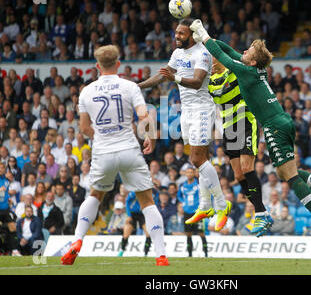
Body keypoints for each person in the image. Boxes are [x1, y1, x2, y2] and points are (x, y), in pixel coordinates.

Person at [190, 19, 311, 242]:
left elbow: (224, 57)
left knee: (291, 178)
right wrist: (210, 40)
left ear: (253, 61)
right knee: (285, 172)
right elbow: (227, 50)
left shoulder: (245, 72)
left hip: (274, 125)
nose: (243, 51)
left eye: (248, 51)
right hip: (280, 121)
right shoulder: (253, 69)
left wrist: (203, 33)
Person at [61, 45, 168, 266]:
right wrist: (149, 137)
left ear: (98, 66)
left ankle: (77, 242)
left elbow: (83, 127)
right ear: (118, 64)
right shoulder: (129, 86)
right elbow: (143, 116)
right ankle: (161, 256)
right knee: (147, 201)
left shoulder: (86, 91)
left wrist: (100, 136)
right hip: (129, 148)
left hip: (103, 151)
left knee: (94, 196)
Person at [138, 18, 231, 233]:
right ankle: (205, 206)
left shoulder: (203, 53)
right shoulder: (177, 53)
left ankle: (221, 204)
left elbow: (198, 81)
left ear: (191, 34)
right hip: (186, 111)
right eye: (176, 33)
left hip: (201, 109)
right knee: (199, 161)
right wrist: (137, 86)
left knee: (197, 159)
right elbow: (162, 77)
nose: (176, 36)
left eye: (181, 33)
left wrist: (175, 78)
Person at [207, 56, 271, 236]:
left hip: (245, 121)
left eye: (213, 58)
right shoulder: (211, 82)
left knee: (246, 167)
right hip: (229, 128)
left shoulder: (235, 71)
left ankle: (260, 212)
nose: (211, 62)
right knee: (238, 174)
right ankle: (262, 210)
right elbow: (218, 100)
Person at [177, 167, 208, 257]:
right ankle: (190, 254)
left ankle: (206, 253)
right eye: (188, 172)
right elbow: (179, 195)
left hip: (197, 212)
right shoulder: (182, 185)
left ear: (194, 173)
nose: (189, 174)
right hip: (187, 212)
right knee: (188, 233)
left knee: (201, 233)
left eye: (191, 172)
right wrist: (183, 203)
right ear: (185, 174)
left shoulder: (198, 184)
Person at [118, 191, 152, 257]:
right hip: (132, 214)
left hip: (142, 214)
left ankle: (146, 253)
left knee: (148, 233)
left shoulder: (148, 192)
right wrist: (129, 215)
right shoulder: (134, 193)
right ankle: (121, 250)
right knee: (126, 234)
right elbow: (127, 202)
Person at [0, 162, 20, 255]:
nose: (1, 169)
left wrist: (8, 200)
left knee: (13, 228)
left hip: (5, 209)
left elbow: (5, 194)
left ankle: (15, 250)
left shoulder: (6, 181)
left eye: (2, 168)